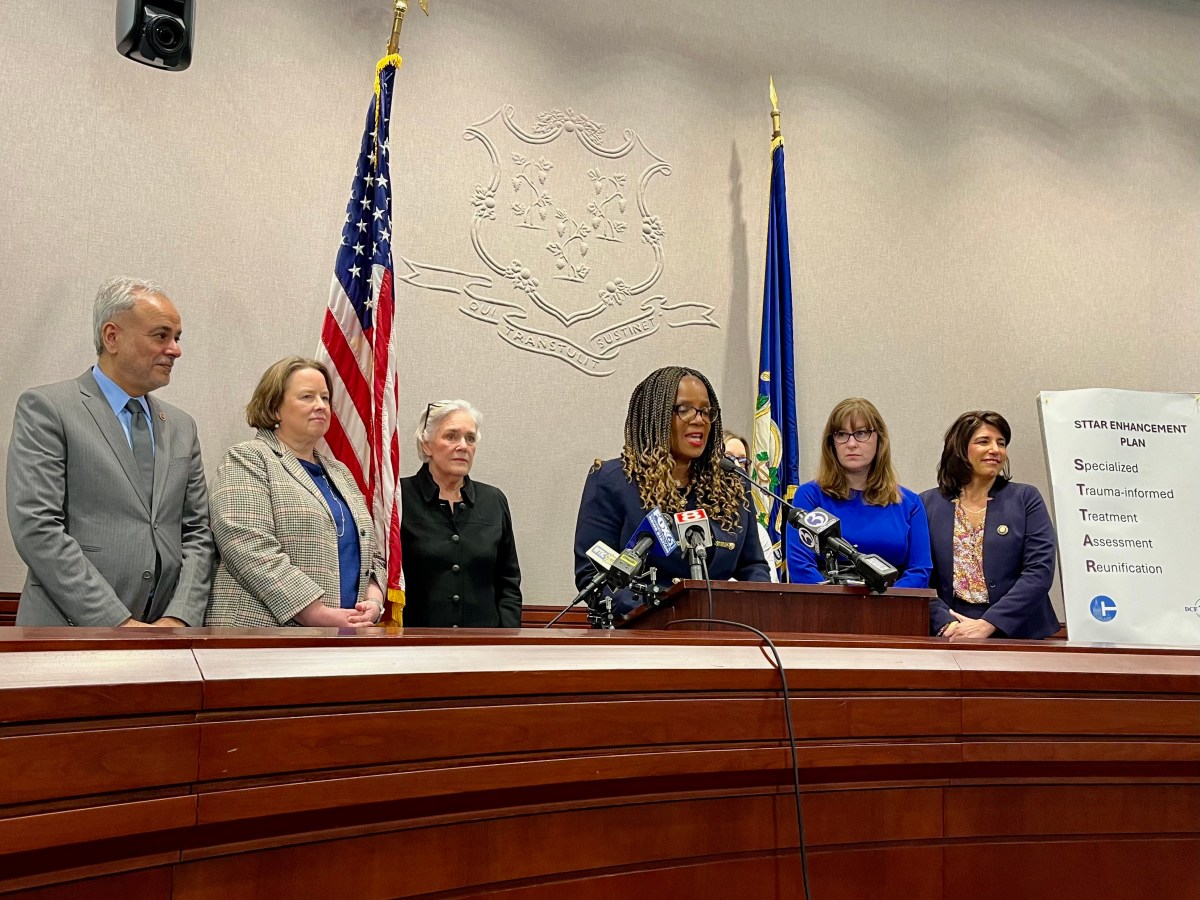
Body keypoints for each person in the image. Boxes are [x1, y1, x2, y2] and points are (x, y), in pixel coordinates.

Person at [6, 276, 213, 626]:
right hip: (67, 633)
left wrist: (180, 617)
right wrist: (115, 622)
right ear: (112, 336)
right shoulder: (47, 408)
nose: (175, 349)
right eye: (161, 335)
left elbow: (196, 532)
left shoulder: (181, 426)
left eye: (176, 338)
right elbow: (36, 526)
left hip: (164, 638)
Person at [573, 366, 770, 617]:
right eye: (684, 409)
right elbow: (594, 577)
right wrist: (661, 613)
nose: (699, 419)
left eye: (705, 411)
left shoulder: (732, 486)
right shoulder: (614, 482)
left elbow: (753, 566)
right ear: (655, 415)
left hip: (723, 633)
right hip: (643, 637)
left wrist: (749, 609)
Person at [206, 357, 385, 628]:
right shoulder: (248, 458)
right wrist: (315, 613)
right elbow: (247, 546)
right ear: (275, 407)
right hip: (260, 637)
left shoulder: (341, 474)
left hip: (343, 637)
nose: (321, 406)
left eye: (325, 398)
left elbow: (373, 554)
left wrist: (373, 601)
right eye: (307, 397)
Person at [921, 411, 1058, 640]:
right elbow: (917, 573)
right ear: (959, 449)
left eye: (1001, 443)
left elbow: (1039, 571)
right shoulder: (926, 504)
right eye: (984, 441)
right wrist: (945, 623)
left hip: (1017, 633)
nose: (995, 449)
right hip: (951, 633)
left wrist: (989, 623)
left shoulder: (1026, 499)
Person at [399, 400, 523, 627]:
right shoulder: (399, 497)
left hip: (484, 647)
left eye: (470, 438)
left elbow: (508, 582)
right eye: (451, 436)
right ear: (427, 444)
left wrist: (507, 639)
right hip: (416, 646)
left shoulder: (493, 500)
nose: (463, 446)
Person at [786, 398, 932, 589]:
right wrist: (844, 605)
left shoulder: (910, 503)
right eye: (841, 434)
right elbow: (801, 568)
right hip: (826, 607)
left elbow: (920, 570)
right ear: (831, 443)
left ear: (880, 439)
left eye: (861, 433)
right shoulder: (810, 497)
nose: (852, 443)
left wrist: (883, 604)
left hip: (892, 609)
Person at [723, 430, 780, 583]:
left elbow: (769, 586)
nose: (737, 466)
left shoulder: (758, 531)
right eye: (728, 458)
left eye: (742, 461)